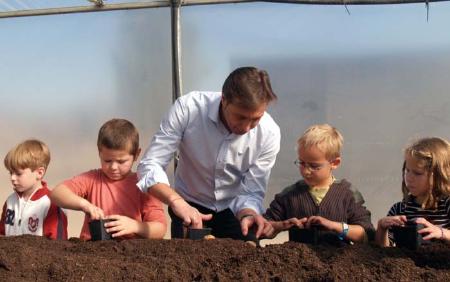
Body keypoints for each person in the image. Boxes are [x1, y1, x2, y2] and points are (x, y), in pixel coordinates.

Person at [137, 66, 280, 240]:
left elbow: (251, 191)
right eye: (241, 117)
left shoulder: (269, 133)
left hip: (233, 211)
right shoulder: (189, 108)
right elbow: (150, 164)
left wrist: (248, 214)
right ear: (224, 100)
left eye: (256, 119)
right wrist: (176, 201)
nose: (246, 127)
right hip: (187, 205)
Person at [50, 119, 166, 240]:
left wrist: (135, 226)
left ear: (136, 154)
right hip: (90, 251)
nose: (113, 167)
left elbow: (160, 229)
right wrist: (85, 205)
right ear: (100, 153)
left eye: (121, 161)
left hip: (130, 253)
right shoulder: (92, 179)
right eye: (107, 161)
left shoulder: (144, 185)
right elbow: (57, 193)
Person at [263, 124, 374, 243]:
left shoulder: (348, 194)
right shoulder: (289, 195)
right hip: (299, 260)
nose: (306, 171)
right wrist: (281, 225)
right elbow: (263, 227)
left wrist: (334, 226)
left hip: (339, 259)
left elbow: (367, 234)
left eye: (314, 166)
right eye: (302, 163)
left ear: (335, 163)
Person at [375, 137, 450, 247]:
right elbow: (385, 251)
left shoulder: (447, 205)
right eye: (407, 170)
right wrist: (382, 228)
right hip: (407, 263)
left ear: (439, 175)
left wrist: (442, 233)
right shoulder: (400, 209)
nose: (409, 178)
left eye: (417, 173)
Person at [0, 139, 67, 239]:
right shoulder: (10, 201)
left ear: (39, 173)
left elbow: (58, 244)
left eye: (18, 173)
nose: (12, 178)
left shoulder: (51, 203)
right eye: (11, 173)